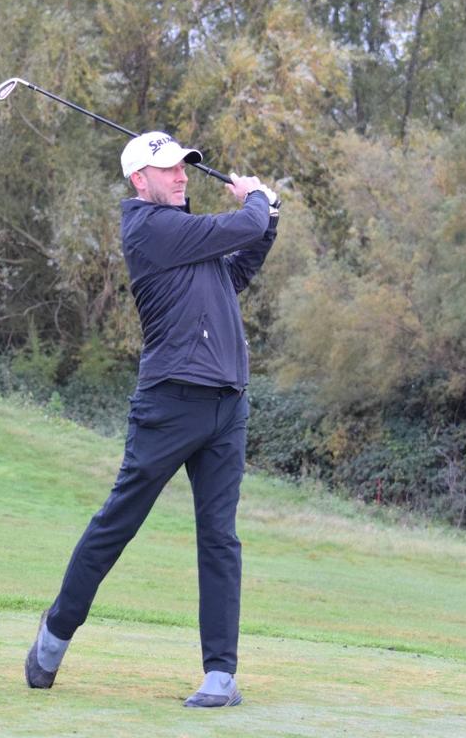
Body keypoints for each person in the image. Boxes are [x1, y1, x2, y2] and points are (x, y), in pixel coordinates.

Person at [24, 131, 280, 708]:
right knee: (119, 521)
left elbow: (237, 267)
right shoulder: (150, 229)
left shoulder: (188, 240)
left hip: (226, 405)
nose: (183, 175)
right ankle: (54, 635)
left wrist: (271, 217)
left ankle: (221, 674)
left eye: (185, 167)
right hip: (169, 405)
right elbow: (240, 226)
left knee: (220, 538)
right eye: (169, 170)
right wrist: (257, 198)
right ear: (140, 179)